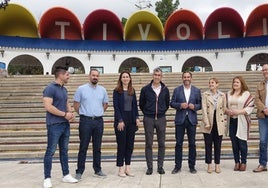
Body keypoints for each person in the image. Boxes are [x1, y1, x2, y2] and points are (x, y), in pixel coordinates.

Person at [42, 66, 78, 188]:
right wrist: (64, 114)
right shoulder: (49, 88)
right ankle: (47, 178)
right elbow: (48, 106)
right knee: (50, 151)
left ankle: (66, 175)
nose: (69, 76)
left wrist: (71, 113)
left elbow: (66, 103)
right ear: (60, 75)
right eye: (67, 74)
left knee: (64, 151)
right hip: (54, 125)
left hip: (65, 125)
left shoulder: (64, 89)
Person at [74, 69, 109, 180]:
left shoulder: (103, 90)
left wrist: (98, 112)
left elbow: (106, 104)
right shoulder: (81, 89)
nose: (95, 77)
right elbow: (76, 104)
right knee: (83, 147)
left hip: (98, 121)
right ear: (89, 76)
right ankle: (79, 171)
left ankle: (97, 169)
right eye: (93, 75)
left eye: (97, 76)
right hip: (85, 121)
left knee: (97, 147)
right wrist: (84, 114)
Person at [139, 67, 170, 175]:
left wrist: (160, 111)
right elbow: (141, 104)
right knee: (149, 143)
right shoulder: (145, 89)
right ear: (153, 75)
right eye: (155, 75)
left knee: (162, 143)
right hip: (149, 119)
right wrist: (148, 112)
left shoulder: (165, 89)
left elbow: (166, 104)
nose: (157, 77)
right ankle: (150, 167)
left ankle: (160, 166)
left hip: (161, 118)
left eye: (159, 75)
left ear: (161, 76)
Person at [170, 71, 201, 174]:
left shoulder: (196, 90)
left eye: (188, 77)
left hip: (192, 120)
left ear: (191, 78)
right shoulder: (177, 90)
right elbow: (172, 103)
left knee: (192, 144)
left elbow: (200, 104)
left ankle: (192, 166)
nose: (186, 78)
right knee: (178, 144)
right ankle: (177, 166)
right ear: (182, 78)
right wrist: (180, 105)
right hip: (180, 120)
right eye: (184, 77)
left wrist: (194, 107)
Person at [113, 71, 140, 177]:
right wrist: (119, 120)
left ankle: (128, 167)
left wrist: (137, 118)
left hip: (131, 121)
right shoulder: (116, 91)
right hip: (121, 121)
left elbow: (134, 106)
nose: (125, 78)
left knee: (130, 145)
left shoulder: (132, 91)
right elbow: (116, 107)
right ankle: (120, 168)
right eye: (123, 77)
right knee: (121, 145)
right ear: (121, 79)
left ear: (129, 79)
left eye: (127, 77)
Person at [225, 76, 254, 171]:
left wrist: (238, 112)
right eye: (234, 82)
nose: (235, 84)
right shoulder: (229, 94)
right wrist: (227, 111)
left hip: (242, 120)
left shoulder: (246, 94)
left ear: (242, 84)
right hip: (232, 120)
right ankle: (237, 162)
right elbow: (223, 106)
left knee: (242, 142)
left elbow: (250, 106)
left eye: (237, 82)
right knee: (234, 143)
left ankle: (244, 162)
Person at [201, 78, 226, 174]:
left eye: (213, 83)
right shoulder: (205, 95)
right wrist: (206, 122)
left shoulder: (222, 95)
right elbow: (203, 109)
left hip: (219, 122)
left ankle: (217, 165)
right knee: (208, 145)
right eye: (209, 83)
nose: (210, 84)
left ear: (217, 84)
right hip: (208, 123)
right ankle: (209, 165)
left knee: (218, 145)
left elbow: (224, 108)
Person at [253, 64, 268, 172]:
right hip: (263, 116)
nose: (264, 71)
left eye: (266, 69)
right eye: (263, 70)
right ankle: (262, 164)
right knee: (263, 141)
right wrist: (264, 108)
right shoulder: (259, 85)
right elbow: (256, 99)